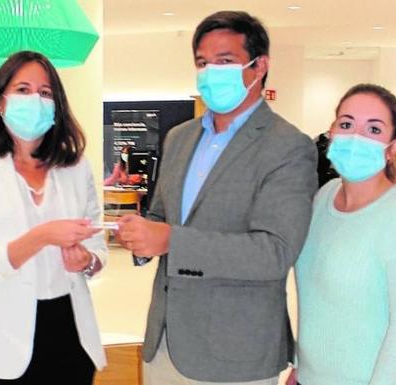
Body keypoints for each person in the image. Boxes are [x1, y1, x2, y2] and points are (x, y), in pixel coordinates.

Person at [115, 11, 318, 385]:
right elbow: (162, 215)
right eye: (202, 63)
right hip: (165, 344)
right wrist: (141, 236)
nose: (210, 73)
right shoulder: (180, 138)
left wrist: (173, 241)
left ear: (260, 67)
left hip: (234, 353)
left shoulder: (288, 147)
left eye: (225, 61)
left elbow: (274, 253)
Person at [0, 50, 107, 385]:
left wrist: (87, 260)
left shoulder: (75, 167)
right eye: (22, 89)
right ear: (0, 103)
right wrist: (41, 236)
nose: (35, 99)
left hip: (69, 334)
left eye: (45, 93)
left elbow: (97, 247)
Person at [290, 84, 396, 385]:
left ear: (393, 148)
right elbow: (316, 301)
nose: (356, 137)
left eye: (374, 129)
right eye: (346, 124)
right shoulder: (324, 197)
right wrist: (300, 365)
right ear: (331, 133)